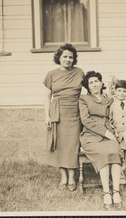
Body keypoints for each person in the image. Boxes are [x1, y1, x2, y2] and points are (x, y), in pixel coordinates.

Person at [43, 43, 84, 192]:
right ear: (59, 58)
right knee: (60, 146)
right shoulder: (51, 74)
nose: (68, 59)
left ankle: (72, 178)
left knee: (72, 146)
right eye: (65, 56)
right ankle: (63, 178)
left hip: (75, 113)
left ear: (74, 59)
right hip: (57, 113)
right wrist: (46, 116)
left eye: (71, 57)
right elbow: (47, 97)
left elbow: (92, 88)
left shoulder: (79, 72)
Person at [79, 71, 122, 210]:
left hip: (109, 134)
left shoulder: (107, 98)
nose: (94, 84)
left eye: (96, 81)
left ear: (101, 83)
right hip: (91, 136)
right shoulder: (83, 99)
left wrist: (113, 133)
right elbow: (86, 121)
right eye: (91, 82)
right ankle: (106, 192)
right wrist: (105, 133)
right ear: (88, 86)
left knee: (115, 151)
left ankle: (116, 191)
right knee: (103, 153)